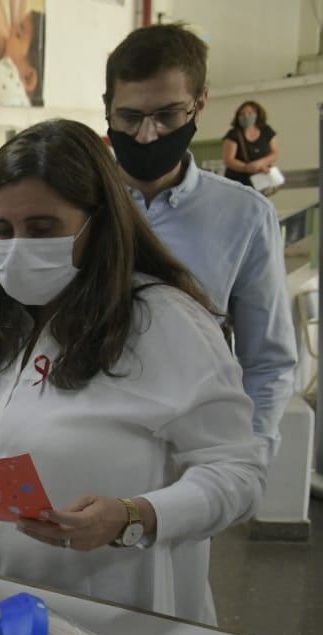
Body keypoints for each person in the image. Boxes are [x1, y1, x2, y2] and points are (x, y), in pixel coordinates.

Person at [0, 120, 265, 624]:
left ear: (99, 224)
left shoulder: (163, 322)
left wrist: (133, 516)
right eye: (2, 230)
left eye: (42, 229)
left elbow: (238, 473)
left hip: (111, 620)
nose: (18, 246)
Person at [103, 24, 296, 452]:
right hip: (89, 444)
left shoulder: (244, 216)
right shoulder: (76, 202)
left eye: (167, 116)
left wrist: (249, 455)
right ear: (107, 106)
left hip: (195, 449)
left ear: (200, 103)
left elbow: (267, 360)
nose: (147, 135)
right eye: (129, 117)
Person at [222, 100, 280, 189]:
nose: (246, 116)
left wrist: (260, 164)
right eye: (242, 114)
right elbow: (229, 160)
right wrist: (247, 167)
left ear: (258, 115)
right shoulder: (233, 134)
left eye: (250, 113)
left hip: (261, 179)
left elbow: (275, 153)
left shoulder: (267, 131)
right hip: (238, 182)